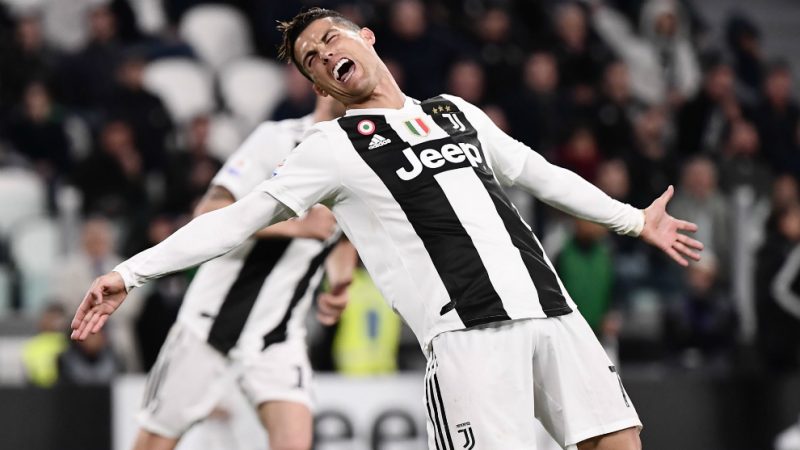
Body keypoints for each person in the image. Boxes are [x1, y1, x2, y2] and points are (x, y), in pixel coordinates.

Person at [72, 9, 703, 450]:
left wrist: (633, 220)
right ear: (318, 85)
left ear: (365, 38)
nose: (325, 55)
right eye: (312, 60)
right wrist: (131, 272)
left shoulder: (454, 112)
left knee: (620, 443)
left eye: (330, 40)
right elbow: (235, 220)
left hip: (554, 312)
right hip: (469, 335)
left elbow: (541, 174)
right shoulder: (330, 146)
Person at [131, 95, 357, 450]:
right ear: (318, 84)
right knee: (154, 443)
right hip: (210, 325)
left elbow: (342, 236)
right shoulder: (276, 139)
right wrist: (296, 227)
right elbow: (209, 210)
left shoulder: (361, 159)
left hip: (277, 334)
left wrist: (340, 282)